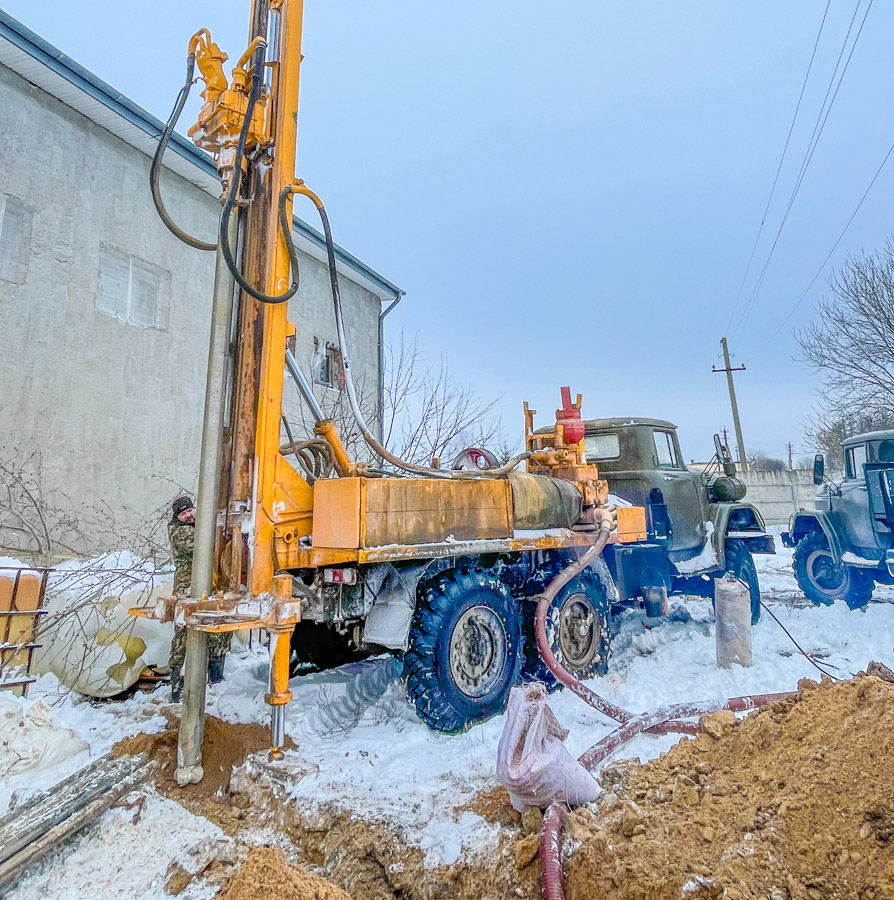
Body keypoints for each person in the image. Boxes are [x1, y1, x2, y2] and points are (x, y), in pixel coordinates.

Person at [167, 495, 231, 701]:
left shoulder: (199, 526)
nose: (188, 516)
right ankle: (177, 688)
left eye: (189, 511)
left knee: (218, 633)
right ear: (177, 517)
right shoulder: (181, 532)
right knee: (183, 638)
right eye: (183, 514)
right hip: (187, 590)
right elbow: (203, 546)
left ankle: (215, 676)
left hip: (208, 589)